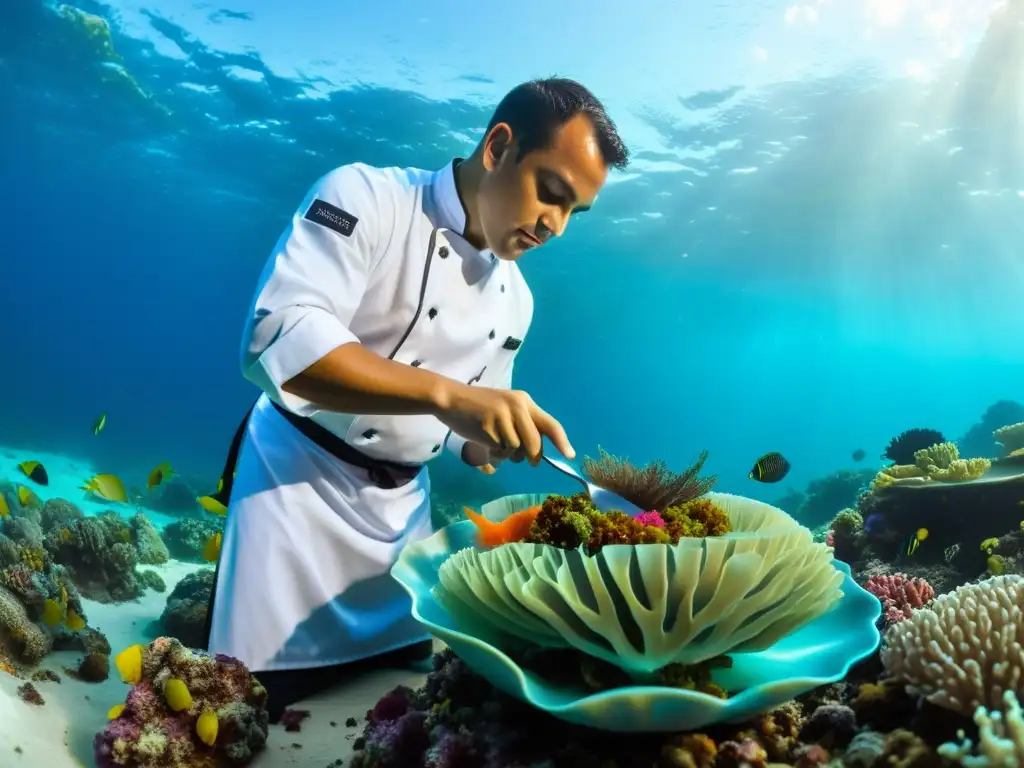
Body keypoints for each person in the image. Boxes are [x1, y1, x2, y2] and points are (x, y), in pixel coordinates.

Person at [204, 77, 630, 718]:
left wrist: (492, 438)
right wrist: (448, 396)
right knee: (253, 704)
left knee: (395, 699)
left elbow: (465, 430)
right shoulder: (364, 197)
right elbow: (274, 341)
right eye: (552, 193)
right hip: (294, 493)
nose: (557, 227)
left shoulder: (519, 300)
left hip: (400, 526)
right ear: (498, 146)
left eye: (575, 212)